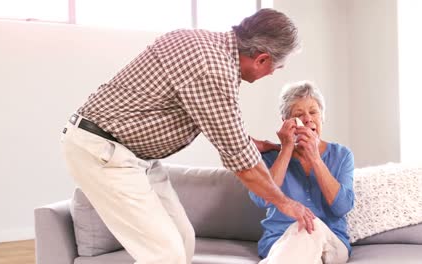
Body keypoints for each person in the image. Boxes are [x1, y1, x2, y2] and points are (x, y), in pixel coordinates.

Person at [61, 8, 315, 264]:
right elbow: (243, 163)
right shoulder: (213, 69)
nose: (273, 73)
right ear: (261, 59)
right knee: (165, 255)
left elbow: (221, 127)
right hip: (103, 149)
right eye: (277, 66)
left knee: (183, 240)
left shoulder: (203, 44)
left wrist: (259, 145)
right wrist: (285, 203)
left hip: (134, 155)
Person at [249, 81, 355, 264]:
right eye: (299, 114)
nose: (307, 119)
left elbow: (343, 206)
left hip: (331, 243)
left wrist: (315, 158)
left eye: (313, 112)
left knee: (310, 227)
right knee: (302, 235)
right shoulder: (271, 157)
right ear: (286, 122)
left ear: (322, 116)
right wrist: (286, 149)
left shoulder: (342, 155)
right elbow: (262, 199)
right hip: (279, 242)